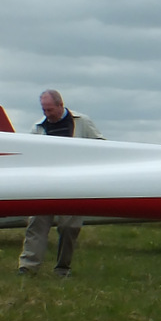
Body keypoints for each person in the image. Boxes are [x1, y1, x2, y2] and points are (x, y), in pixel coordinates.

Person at [19, 89, 105, 277]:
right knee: (36, 225)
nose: (47, 114)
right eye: (44, 110)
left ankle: (62, 268)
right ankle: (27, 267)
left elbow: (101, 147)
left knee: (69, 227)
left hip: (74, 184)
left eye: (50, 110)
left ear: (60, 105)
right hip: (45, 184)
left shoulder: (82, 122)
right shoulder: (38, 128)